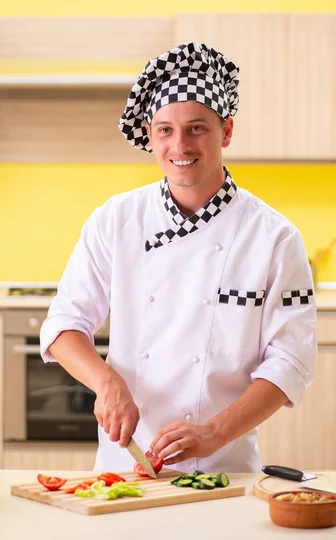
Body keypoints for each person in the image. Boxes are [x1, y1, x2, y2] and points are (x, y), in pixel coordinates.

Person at [40, 42, 316, 473]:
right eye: (165, 129)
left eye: (197, 128)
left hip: (222, 468)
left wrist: (215, 433)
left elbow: (291, 360)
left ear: (226, 131)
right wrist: (105, 381)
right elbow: (63, 324)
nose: (180, 144)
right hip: (123, 466)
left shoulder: (275, 237)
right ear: (150, 134)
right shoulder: (115, 219)